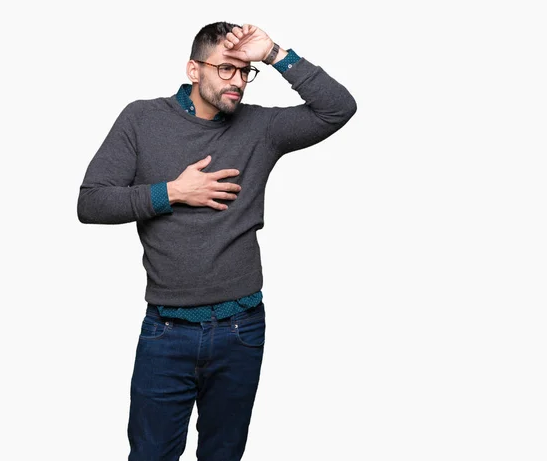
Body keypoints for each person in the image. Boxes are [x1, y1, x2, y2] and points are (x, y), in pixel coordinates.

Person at [77, 21, 356, 461]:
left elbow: (337, 109)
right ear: (194, 69)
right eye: (226, 69)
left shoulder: (261, 127)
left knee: (223, 455)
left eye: (246, 72)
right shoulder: (142, 118)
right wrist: (171, 192)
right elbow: (91, 203)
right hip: (167, 331)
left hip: (241, 328)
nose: (238, 82)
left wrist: (275, 53)